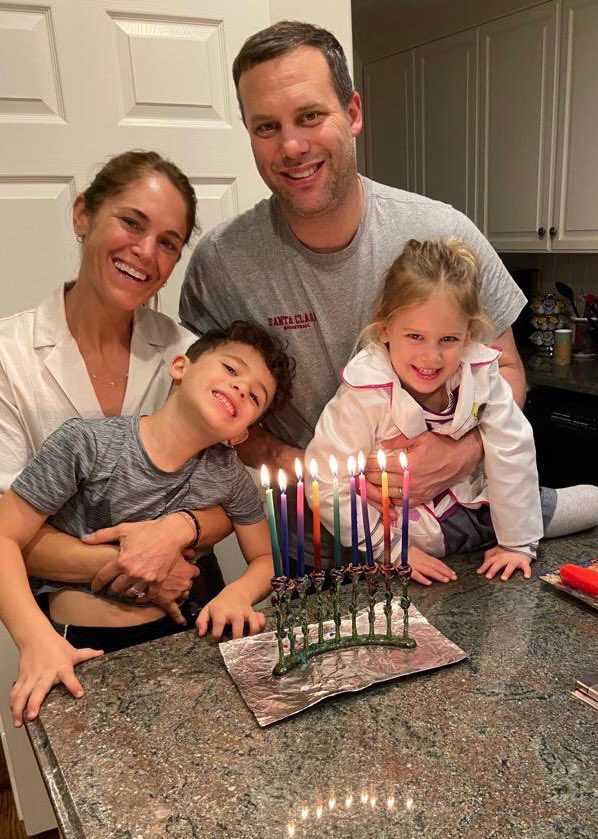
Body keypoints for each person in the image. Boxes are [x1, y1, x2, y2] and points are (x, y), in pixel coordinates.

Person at [179, 20, 529, 572]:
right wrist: (327, 477)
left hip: (452, 533)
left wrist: (461, 452)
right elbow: (203, 413)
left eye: (310, 116)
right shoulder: (221, 265)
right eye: (266, 127)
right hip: (305, 540)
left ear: (354, 113)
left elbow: (505, 370)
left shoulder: (446, 235)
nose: (292, 146)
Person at [0, 321, 295, 726]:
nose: (242, 387)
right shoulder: (87, 445)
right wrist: (34, 639)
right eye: (231, 369)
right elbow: (4, 537)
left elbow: (264, 557)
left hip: (187, 642)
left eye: (255, 396)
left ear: (241, 434)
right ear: (180, 367)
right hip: (84, 647)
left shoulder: (228, 476)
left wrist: (239, 595)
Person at [0, 150, 232, 616]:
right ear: (82, 214)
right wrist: (139, 565)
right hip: (75, 619)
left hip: (190, 601)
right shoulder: (9, 355)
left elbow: (231, 500)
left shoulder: (188, 355)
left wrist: (177, 530)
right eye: (131, 222)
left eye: (168, 243)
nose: (146, 252)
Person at [305, 239, 598, 584]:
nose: (431, 358)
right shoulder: (362, 391)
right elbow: (324, 482)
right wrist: (394, 550)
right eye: (415, 336)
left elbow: (512, 447)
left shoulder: (480, 372)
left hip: (486, 510)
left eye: (448, 340)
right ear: (384, 329)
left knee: (592, 500)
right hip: (412, 533)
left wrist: (517, 544)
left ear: (470, 335)